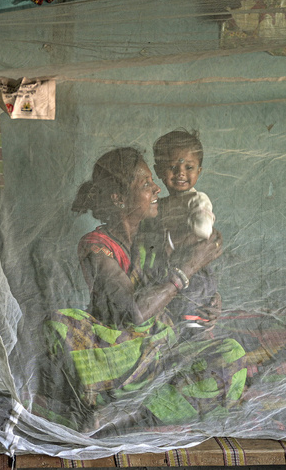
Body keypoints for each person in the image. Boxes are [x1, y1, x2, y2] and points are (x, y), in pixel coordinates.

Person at [45, 147, 246, 428]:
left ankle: (129, 413)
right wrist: (188, 267)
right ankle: (135, 407)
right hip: (115, 354)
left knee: (231, 355)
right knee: (59, 325)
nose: (156, 189)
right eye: (145, 184)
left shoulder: (157, 236)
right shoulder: (96, 245)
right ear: (118, 198)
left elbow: (184, 288)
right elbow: (135, 314)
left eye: (153, 182)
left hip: (158, 349)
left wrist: (209, 300)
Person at [152, 130, 220, 333]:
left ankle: (195, 333)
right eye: (173, 167)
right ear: (158, 170)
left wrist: (173, 242)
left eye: (188, 167)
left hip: (193, 265)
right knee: (170, 309)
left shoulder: (197, 200)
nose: (180, 173)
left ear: (199, 171)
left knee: (194, 311)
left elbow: (203, 230)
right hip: (169, 269)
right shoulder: (158, 205)